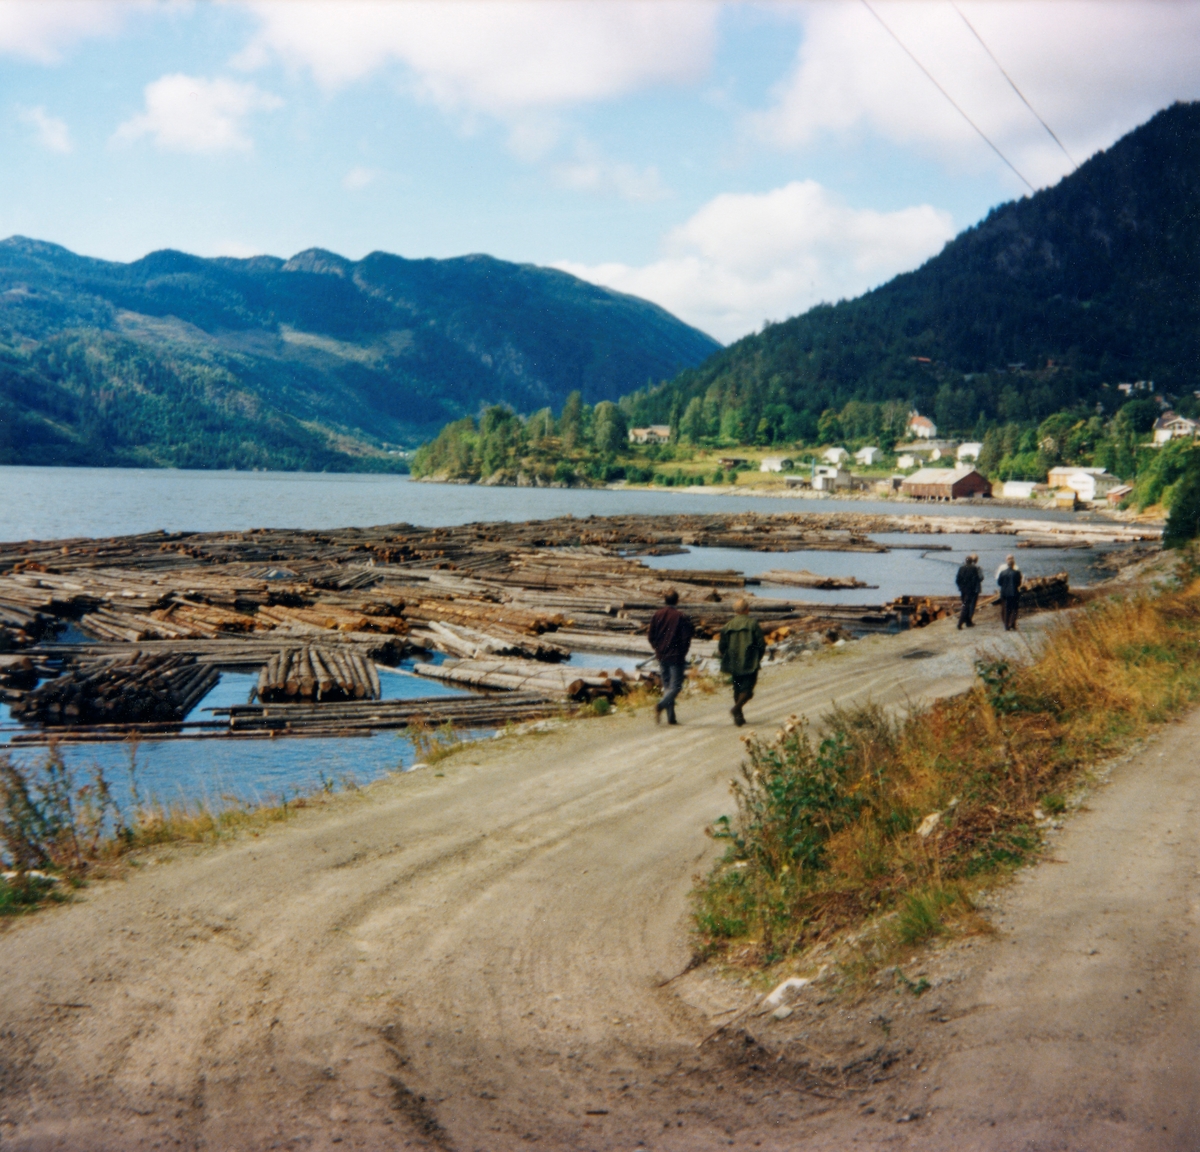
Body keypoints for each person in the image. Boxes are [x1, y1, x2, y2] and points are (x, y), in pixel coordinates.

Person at [647, 588, 693, 725]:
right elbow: (686, 638)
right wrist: (683, 652)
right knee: (676, 687)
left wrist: (657, 648)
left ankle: (671, 718)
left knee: (667, 687)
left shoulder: (657, 614)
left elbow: (650, 636)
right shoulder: (680, 616)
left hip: (662, 655)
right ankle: (660, 705)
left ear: (665, 600)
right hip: (676, 656)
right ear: (677, 600)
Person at [719, 597, 766, 727]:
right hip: (750, 660)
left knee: (737, 688)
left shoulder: (728, 626)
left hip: (734, 661)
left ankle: (739, 717)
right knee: (748, 690)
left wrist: (727, 656)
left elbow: (722, 646)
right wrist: (758, 657)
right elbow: (761, 644)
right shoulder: (753, 624)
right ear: (747, 609)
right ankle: (736, 709)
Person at [955, 552, 983, 629]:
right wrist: (973, 588)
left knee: (965, 605)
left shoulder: (961, 568)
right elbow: (975, 579)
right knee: (966, 606)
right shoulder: (974, 568)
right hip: (970, 590)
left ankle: (968, 622)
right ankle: (960, 623)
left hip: (962, 590)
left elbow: (957, 580)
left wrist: (960, 587)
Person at [997, 554, 1023, 631]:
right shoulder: (1017, 572)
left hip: (1004, 593)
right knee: (1014, 609)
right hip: (1014, 592)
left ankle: (1006, 625)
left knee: (1006, 608)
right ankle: (1012, 624)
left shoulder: (1002, 572)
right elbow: (1019, 583)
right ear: (1013, 564)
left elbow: (999, 583)